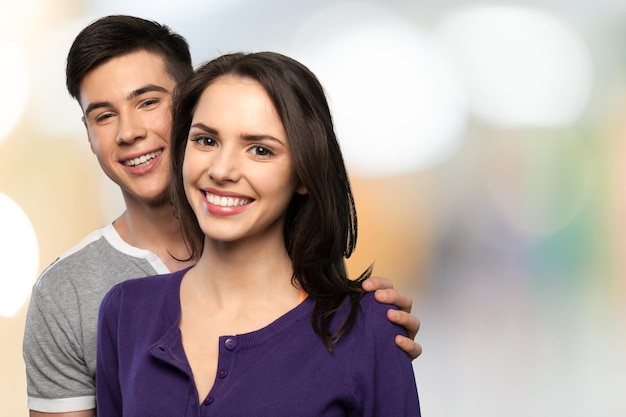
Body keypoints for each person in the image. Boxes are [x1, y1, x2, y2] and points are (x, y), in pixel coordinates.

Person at [22, 15, 421, 417]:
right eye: (208, 140)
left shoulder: (357, 317)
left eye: (148, 102)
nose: (129, 131)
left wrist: (373, 334)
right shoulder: (108, 306)